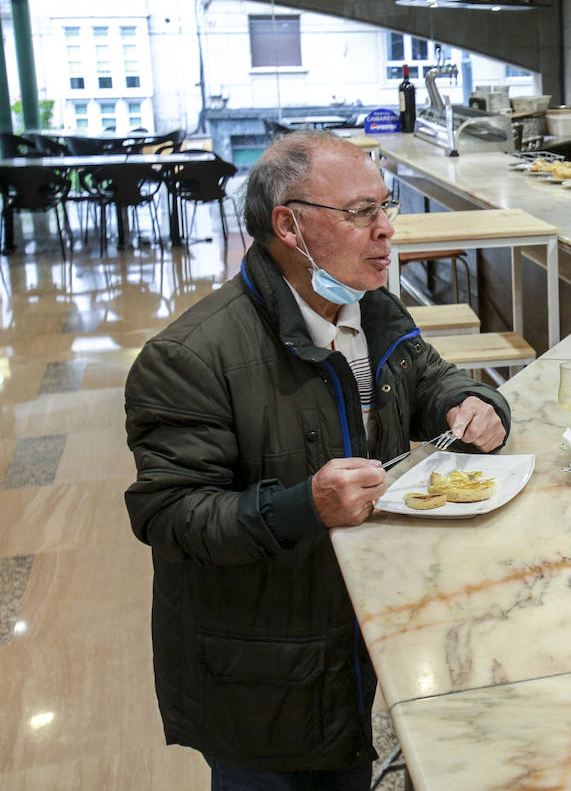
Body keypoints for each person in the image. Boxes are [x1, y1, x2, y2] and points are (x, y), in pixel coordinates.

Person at [124, 131, 511, 788]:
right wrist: (304, 507)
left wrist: (469, 403)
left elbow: (428, 380)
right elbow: (171, 515)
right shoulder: (190, 357)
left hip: (356, 633)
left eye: (385, 207)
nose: (386, 230)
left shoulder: (371, 309)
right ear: (289, 227)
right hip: (264, 667)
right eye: (361, 213)